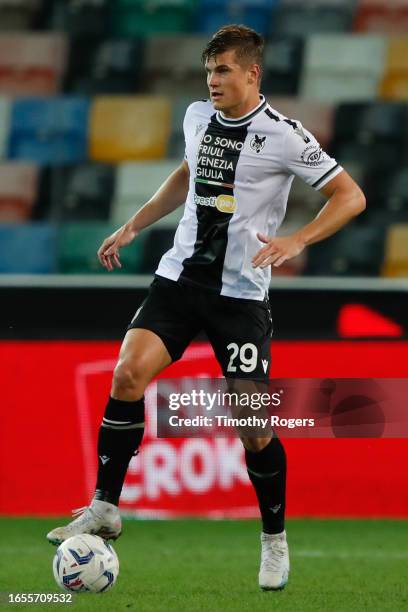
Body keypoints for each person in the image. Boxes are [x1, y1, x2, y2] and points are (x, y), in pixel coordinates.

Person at [47, 25, 366, 591]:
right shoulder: (197, 117)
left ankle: (274, 540)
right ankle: (105, 504)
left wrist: (297, 241)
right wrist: (132, 225)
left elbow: (351, 195)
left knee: (255, 430)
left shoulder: (285, 136)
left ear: (251, 73)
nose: (213, 81)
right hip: (178, 281)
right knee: (126, 375)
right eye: (208, 72)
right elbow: (187, 173)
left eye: (223, 71)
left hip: (240, 298)